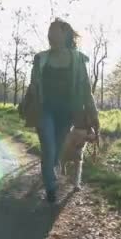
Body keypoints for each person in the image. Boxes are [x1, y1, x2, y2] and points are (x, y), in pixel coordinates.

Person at [24, 18, 99, 203]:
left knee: (57, 150)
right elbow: (34, 84)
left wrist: (94, 115)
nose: (50, 34)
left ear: (65, 34)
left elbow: (85, 89)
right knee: (49, 148)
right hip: (45, 110)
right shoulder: (41, 58)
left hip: (66, 114)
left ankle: (52, 173)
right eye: (49, 30)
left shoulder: (77, 59)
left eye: (54, 30)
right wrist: (32, 91)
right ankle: (51, 188)